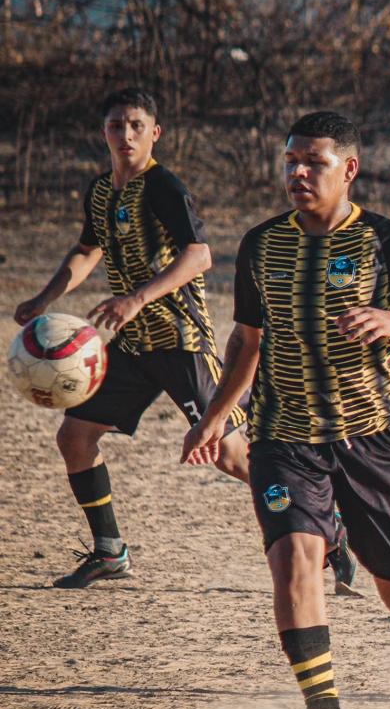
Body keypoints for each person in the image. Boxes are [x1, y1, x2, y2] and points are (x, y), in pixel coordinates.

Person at [181, 111, 390, 709]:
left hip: (374, 439)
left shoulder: (388, 243)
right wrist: (214, 418)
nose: (297, 174)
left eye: (312, 163)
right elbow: (247, 340)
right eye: (290, 161)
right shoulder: (261, 245)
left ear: (350, 169)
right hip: (282, 437)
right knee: (294, 561)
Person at [12, 88, 360, 590]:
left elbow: (200, 255)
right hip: (132, 347)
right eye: (115, 125)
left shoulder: (164, 188)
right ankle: (110, 552)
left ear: (155, 133)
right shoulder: (101, 191)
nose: (125, 135)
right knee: (74, 436)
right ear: (104, 132)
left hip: (180, 341)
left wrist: (135, 299)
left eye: (136, 125)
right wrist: (45, 297)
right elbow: (88, 249)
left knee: (232, 456)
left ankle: (332, 530)